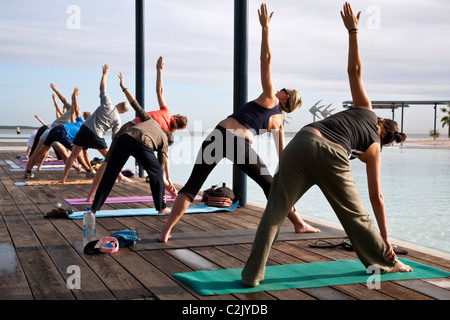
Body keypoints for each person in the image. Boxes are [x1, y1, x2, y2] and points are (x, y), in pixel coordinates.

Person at [241, 2, 413, 287]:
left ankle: (252, 275)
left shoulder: (366, 109)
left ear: (380, 121)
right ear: (383, 137)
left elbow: (354, 71)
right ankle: (387, 261)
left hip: (302, 142)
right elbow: (376, 199)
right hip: (331, 154)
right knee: (354, 217)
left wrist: (353, 31)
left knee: (274, 212)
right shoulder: (373, 151)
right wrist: (385, 238)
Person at [158, 3, 318, 243]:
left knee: (192, 186)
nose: (281, 88)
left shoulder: (269, 99)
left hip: (218, 136)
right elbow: (282, 153)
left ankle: (166, 232)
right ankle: (299, 224)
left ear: (284, 96)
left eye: (285, 88)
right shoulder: (279, 122)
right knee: (271, 185)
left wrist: (265, 30)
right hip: (238, 145)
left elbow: (266, 61)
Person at [85, 56, 186, 201]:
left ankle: (91, 195)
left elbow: (159, 91)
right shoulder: (166, 133)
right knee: (156, 170)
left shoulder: (166, 112)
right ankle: (166, 193)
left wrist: (159, 71)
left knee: (107, 163)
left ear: (176, 117)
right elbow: (165, 159)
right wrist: (168, 178)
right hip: (142, 142)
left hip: (129, 130)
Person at [90, 101, 175, 215]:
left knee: (110, 174)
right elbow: (160, 166)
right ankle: (161, 207)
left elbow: (139, 110)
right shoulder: (164, 140)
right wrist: (162, 193)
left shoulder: (152, 122)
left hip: (124, 137)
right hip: (141, 141)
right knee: (157, 172)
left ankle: (94, 209)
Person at [59, 64, 130, 184]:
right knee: (109, 158)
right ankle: (120, 177)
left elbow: (102, 88)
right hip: (96, 134)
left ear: (118, 103)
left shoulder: (108, 104)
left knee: (73, 155)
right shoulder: (118, 120)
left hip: (84, 129)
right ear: (122, 112)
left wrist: (105, 74)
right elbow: (115, 136)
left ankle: (63, 178)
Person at [24, 88, 91, 178]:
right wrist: (73, 98)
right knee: (72, 152)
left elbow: (70, 109)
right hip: (58, 132)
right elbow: (70, 107)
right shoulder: (81, 123)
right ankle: (87, 170)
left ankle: (27, 171)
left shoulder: (75, 115)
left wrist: (74, 97)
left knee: (38, 152)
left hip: (49, 130)